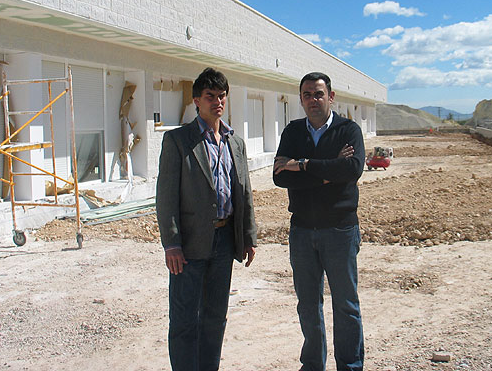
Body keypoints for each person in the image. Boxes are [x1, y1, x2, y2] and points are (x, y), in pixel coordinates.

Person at [156, 67, 257, 371]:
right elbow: (166, 197)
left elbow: (245, 193)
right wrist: (171, 244)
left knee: (215, 317)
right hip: (189, 244)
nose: (217, 101)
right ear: (196, 100)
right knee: (185, 319)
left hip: (225, 241)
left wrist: (249, 236)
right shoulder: (178, 141)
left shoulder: (234, 142)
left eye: (222, 96)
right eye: (210, 96)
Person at [273, 72, 365, 371]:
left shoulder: (348, 130)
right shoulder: (293, 132)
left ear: (331, 96)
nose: (313, 100)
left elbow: (351, 169)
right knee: (308, 304)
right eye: (307, 94)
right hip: (302, 231)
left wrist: (303, 165)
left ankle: (350, 365)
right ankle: (313, 364)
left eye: (319, 94)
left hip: (340, 229)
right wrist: (328, 173)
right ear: (301, 99)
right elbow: (279, 177)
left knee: (346, 305)